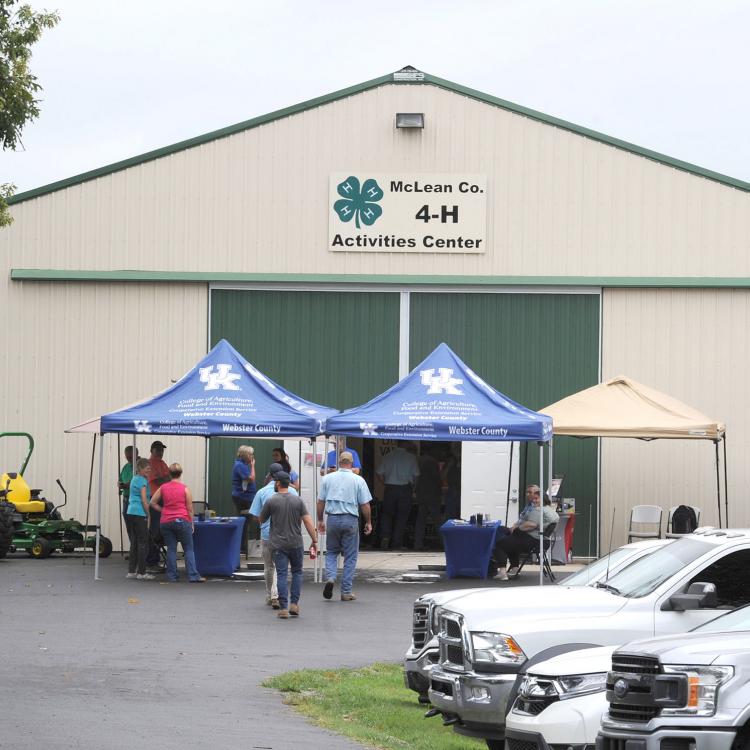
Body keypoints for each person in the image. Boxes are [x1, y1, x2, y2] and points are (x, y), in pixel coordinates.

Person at [259, 471, 318, 619]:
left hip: (278, 544)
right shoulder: (298, 501)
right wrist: (314, 540)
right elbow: (308, 521)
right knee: (297, 572)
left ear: (278, 483)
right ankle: (294, 604)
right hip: (296, 543)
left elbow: (261, 519)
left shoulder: (271, 501)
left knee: (282, 574)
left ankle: (283, 607)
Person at [317, 451, 372, 601]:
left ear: (339, 462)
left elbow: (320, 501)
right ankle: (346, 591)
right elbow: (365, 504)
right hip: (350, 519)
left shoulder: (327, 478)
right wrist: (368, 522)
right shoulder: (358, 480)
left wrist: (320, 520)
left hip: (333, 519)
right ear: (352, 463)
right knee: (350, 556)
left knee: (332, 552)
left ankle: (331, 577)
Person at [249, 462, 300, 609]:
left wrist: (262, 523)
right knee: (280, 567)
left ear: (269, 475)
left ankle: (270, 595)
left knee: (268, 566)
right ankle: (275, 595)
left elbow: (255, 515)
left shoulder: (261, 492)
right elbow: (299, 512)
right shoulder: (293, 492)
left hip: (266, 534)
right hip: (286, 533)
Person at [149, 463, 205, 583]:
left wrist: (163, 510)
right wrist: (192, 523)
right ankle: (193, 575)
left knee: (171, 548)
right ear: (181, 473)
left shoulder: (163, 487)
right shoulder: (185, 488)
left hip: (166, 522)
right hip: (182, 520)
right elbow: (189, 508)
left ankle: (172, 576)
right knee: (188, 548)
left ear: (169, 474)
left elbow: (152, 502)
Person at [493, 484, 559, 581]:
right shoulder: (550, 510)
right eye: (534, 499)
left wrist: (518, 528)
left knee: (500, 544)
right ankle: (515, 568)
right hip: (543, 541)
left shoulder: (538, 510)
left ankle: (502, 572)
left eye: (537, 499)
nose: (534, 500)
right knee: (509, 540)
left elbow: (531, 525)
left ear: (543, 499)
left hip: (534, 541)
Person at [375, 441, 419, 550]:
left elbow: (378, 472)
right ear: (406, 444)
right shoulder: (411, 457)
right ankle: (397, 542)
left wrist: (384, 483)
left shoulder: (388, 456)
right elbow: (417, 475)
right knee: (402, 516)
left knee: (387, 514)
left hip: (390, 488)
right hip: (405, 488)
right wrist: (413, 488)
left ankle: (385, 537)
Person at [125, 458, 154, 580]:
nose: (149, 470)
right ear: (140, 469)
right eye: (147, 469)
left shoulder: (134, 479)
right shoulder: (142, 480)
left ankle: (131, 571)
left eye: (150, 468)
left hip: (130, 512)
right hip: (140, 513)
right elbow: (143, 499)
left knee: (134, 542)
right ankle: (142, 572)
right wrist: (148, 514)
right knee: (143, 543)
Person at [146, 440, 170, 568]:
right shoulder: (149, 464)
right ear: (152, 450)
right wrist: (166, 478)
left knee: (160, 529)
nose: (161, 452)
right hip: (154, 499)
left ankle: (154, 557)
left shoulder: (162, 463)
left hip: (163, 498)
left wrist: (166, 478)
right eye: (158, 450)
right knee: (154, 529)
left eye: (162, 450)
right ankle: (151, 559)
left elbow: (169, 478)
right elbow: (160, 480)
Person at [413, 446, 442, 551]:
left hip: (421, 494)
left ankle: (417, 543)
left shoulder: (418, 461)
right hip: (432, 495)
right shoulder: (433, 462)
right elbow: (437, 478)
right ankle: (443, 542)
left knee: (420, 520)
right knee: (437, 520)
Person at [231, 445, 256, 555]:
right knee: (244, 522)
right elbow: (251, 478)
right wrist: (252, 466)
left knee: (246, 521)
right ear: (245, 454)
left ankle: (242, 547)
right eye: (250, 454)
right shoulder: (240, 465)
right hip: (243, 498)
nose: (252, 456)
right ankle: (242, 548)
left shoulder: (242, 464)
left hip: (246, 497)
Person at [118, 445, 138, 547]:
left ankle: (137, 550)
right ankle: (133, 548)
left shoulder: (140, 466)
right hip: (126, 498)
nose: (129, 459)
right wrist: (120, 483)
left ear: (136, 455)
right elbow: (121, 478)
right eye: (127, 457)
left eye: (131, 457)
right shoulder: (126, 467)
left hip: (135, 500)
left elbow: (135, 481)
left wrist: (125, 485)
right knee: (129, 526)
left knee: (136, 525)